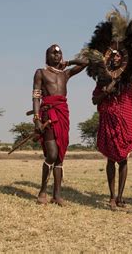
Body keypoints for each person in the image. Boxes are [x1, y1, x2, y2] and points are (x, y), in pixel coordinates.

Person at [85, 3, 132, 210]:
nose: (115, 57)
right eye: (111, 54)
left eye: (118, 55)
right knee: (110, 161)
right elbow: (95, 100)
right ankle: (112, 196)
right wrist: (107, 90)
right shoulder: (102, 80)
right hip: (107, 122)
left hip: (125, 122)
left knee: (124, 160)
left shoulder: (129, 81)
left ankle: (121, 197)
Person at [32, 44, 87, 206]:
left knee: (60, 156)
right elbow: (36, 96)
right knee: (52, 154)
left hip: (63, 114)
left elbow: (85, 62)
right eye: (53, 53)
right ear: (47, 56)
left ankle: (57, 195)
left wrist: (68, 62)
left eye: (59, 53)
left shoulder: (66, 74)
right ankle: (42, 191)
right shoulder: (40, 73)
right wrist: (36, 119)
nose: (57, 55)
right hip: (49, 114)